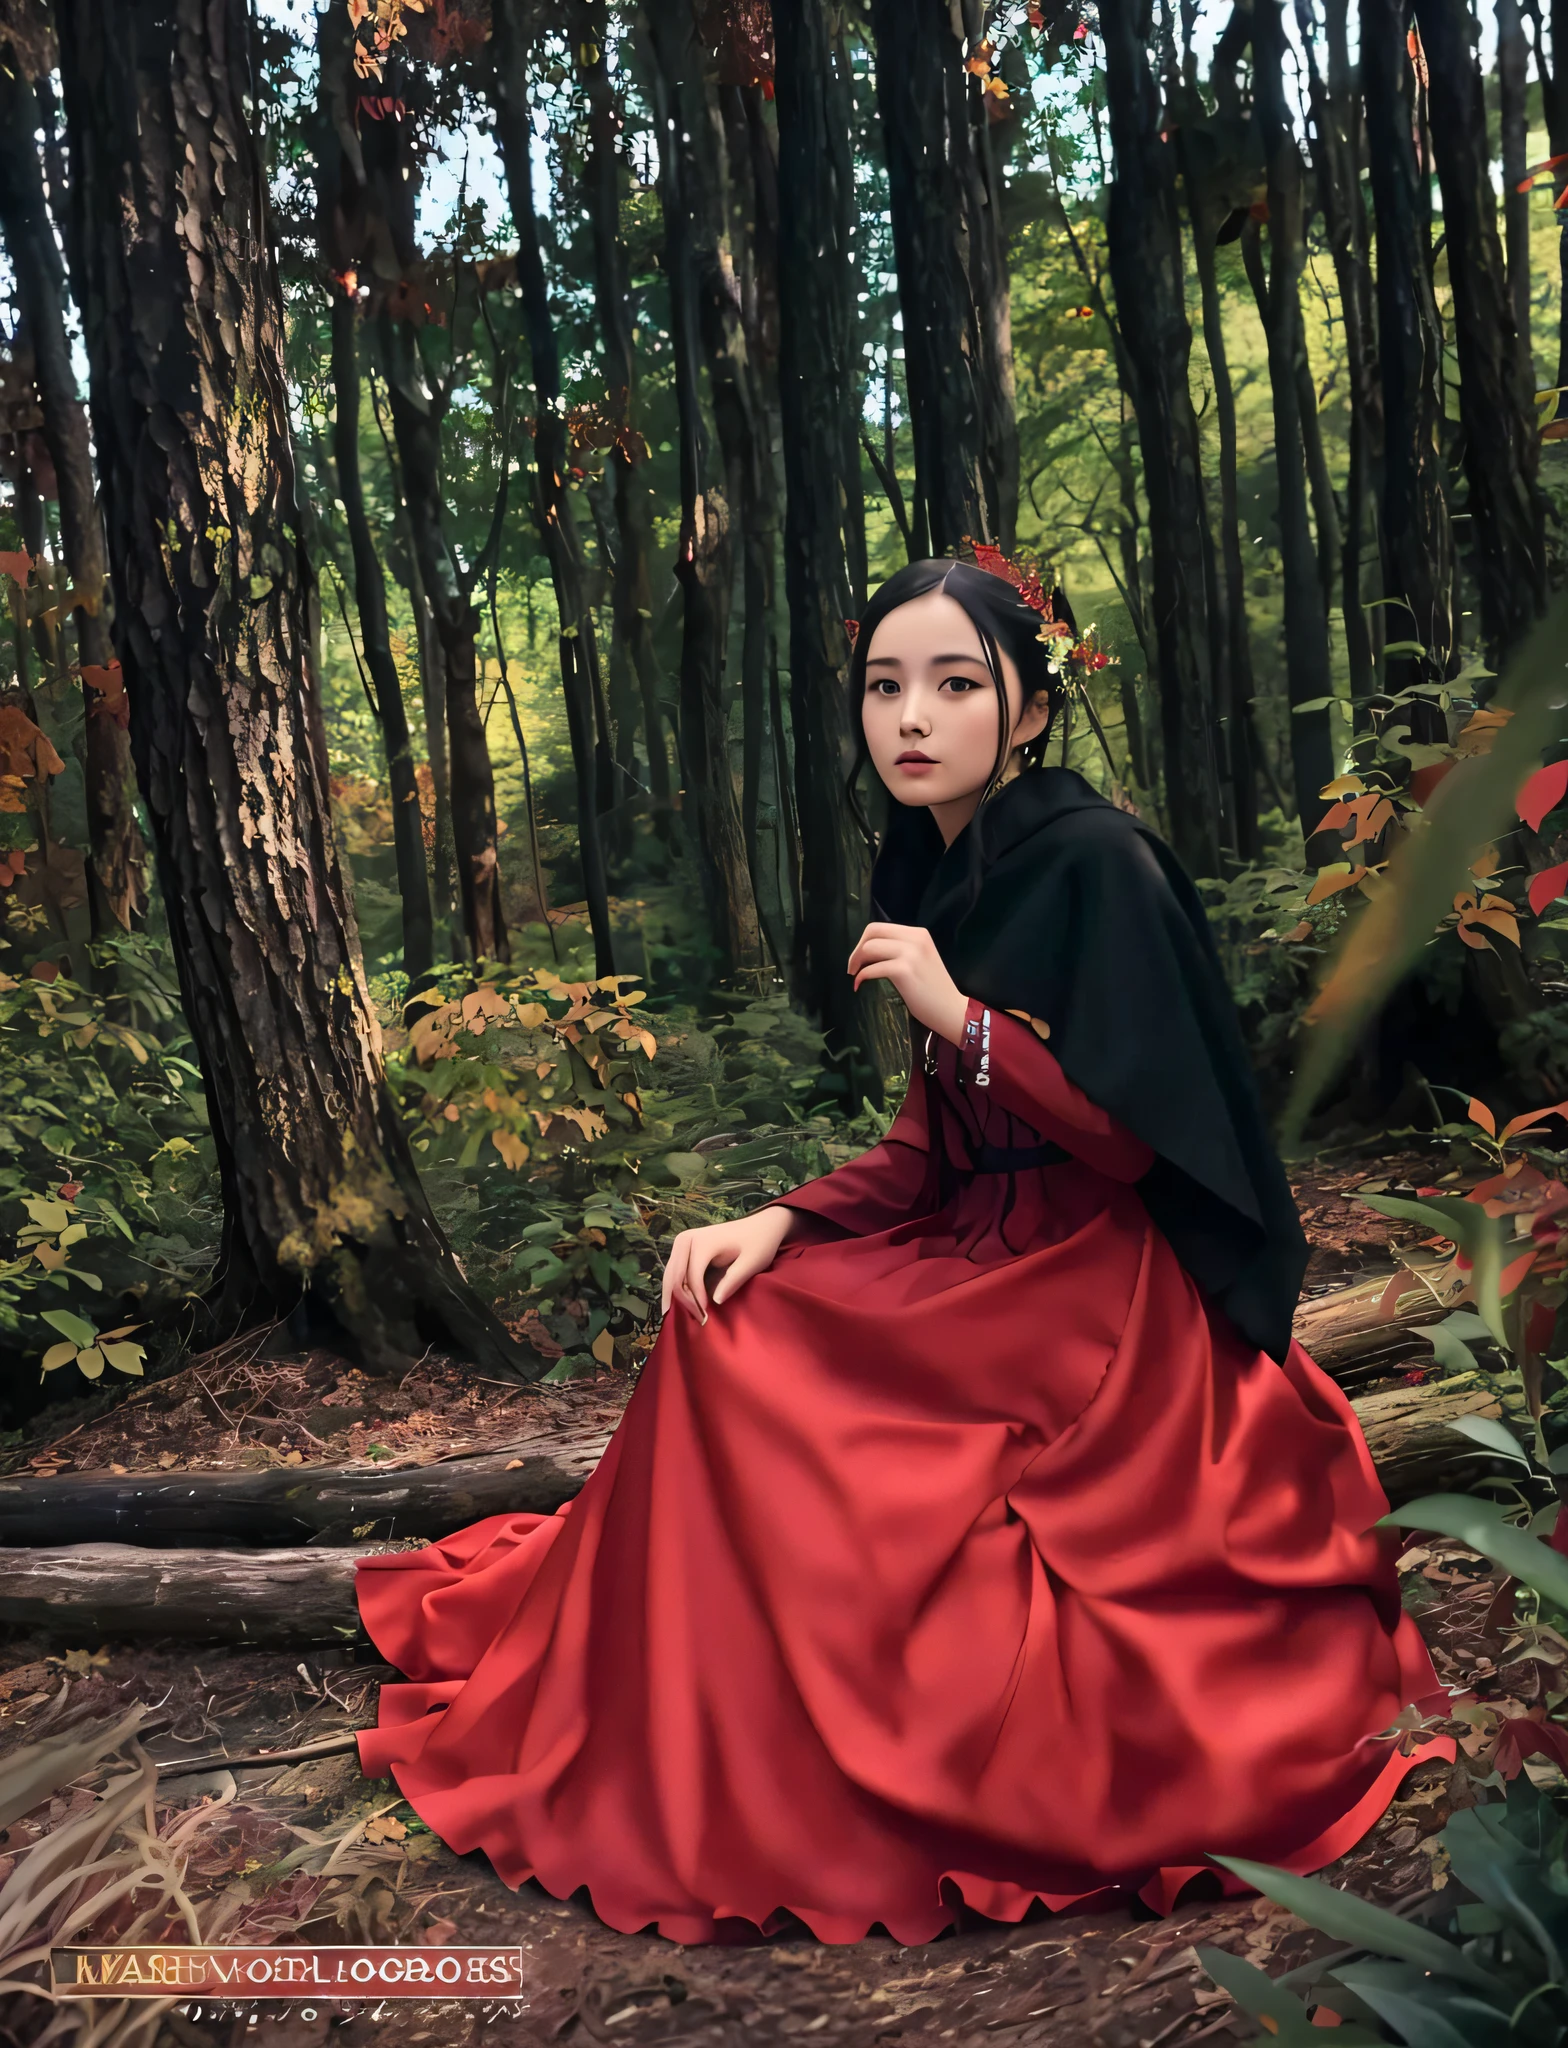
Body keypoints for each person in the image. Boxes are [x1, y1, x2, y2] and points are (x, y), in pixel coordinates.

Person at [353, 555, 1452, 1946]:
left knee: (806, 1400)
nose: (910, 719)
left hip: (1096, 1280)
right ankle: (714, 1714)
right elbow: (937, 1145)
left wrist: (965, 1016)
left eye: (954, 684)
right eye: (885, 687)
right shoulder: (941, 859)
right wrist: (784, 1218)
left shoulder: (1102, 863)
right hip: (977, 1240)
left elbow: (1127, 1143)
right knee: (727, 1319)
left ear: (1033, 711)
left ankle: (850, 1736)